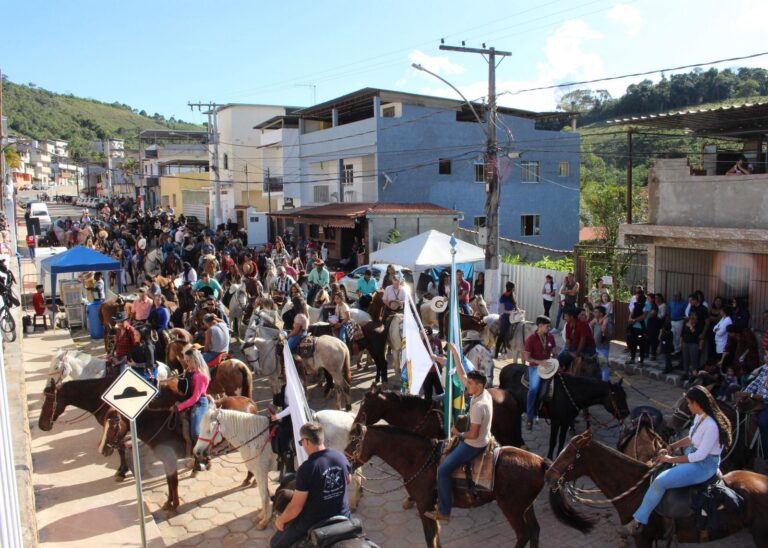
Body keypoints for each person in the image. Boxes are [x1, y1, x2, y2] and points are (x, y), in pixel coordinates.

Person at [626, 386, 731, 536]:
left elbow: (700, 456)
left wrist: (671, 459)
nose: (688, 406)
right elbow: (691, 438)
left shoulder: (711, 426)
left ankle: (638, 520)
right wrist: (672, 446)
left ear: (697, 403)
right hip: (693, 453)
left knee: (660, 481)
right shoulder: (699, 417)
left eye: (689, 403)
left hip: (704, 465)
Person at [425, 343, 492, 523]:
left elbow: (473, 435)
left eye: (470, 384)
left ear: (478, 385)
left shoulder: (478, 406)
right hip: (484, 437)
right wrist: (455, 352)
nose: (466, 385)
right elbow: (462, 374)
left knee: (443, 471)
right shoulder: (484, 393)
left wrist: (457, 433)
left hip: (474, 445)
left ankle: (444, 512)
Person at [271, 422, 352, 548]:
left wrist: (280, 521)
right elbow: (348, 480)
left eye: (301, 442)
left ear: (307, 441)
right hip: (343, 516)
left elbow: (296, 507)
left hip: (315, 522)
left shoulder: (307, 468)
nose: (302, 445)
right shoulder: (340, 457)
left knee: (275, 543)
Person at [174, 345, 210, 471]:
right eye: (186, 361)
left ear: (195, 360)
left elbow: (195, 398)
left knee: (195, 432)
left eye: (189, 361)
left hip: (199, 403)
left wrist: (180, 407)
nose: (187, 363)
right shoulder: (189, 371)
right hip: (189, 400)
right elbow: (185, 387)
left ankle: (205, 457)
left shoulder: (201, 376)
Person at [522, 315, 557, 430]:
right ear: (540, 326)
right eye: (547, 326)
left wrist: (556, 359)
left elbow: (554, 351)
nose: (549, 328)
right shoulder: (531, 339)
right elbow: (527, 357)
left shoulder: (550, 337)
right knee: (533, 389)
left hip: (548, 365)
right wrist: (539, 362)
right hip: (535, 367)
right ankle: (529, 417)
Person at [737, 360, 768, 461]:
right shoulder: (765, 369)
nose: (766, 358)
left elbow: (766, 397)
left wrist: (751, 395)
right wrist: (744, 394)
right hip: (756, 401)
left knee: (763, 422)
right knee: (737, 412)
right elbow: (754, 384)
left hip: (765, 403)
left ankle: (766, 456)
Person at [561, 306, 597, 371]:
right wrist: (566, 350)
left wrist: (576, 354)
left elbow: (582, 340)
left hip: (588, 349)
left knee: (589, 369)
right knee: (562, 358)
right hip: (576, 346)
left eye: (566, 316)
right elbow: (568, 340)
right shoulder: (568, 325)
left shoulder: (583, 324)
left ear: (571, 317)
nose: (564, 318)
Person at [626, 290, 651, 366]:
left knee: (641, 345)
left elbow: (644, 316)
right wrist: (630, 319)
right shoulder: (636, 303)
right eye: (636, 295)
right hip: (633, 327)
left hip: (641, 328)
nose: (636, 297)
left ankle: (641, 361)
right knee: (632, 343)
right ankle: (632, 359)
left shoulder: (647, 304)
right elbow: (632, 312)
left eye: (637, 296)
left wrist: (634, 320)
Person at [495, 281, 517, 359]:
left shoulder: (513, 295)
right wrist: (510, 312)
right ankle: (496, 352)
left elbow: (515, 306)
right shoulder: (503, 296)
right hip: (505, 317)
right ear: (510, 288)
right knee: (502, 333)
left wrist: (519, 310)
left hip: (513, 316)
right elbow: (502, 310)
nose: (514, 289)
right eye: (513, 287)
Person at [592, 305, 612, 382]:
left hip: (603, 349)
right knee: (597, 367)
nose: (594, 313)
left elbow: (609, 335)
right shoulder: (595, 322)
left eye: (596, 312)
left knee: (604, 367)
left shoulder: (607, 322)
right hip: (596, 348)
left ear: (601, 313)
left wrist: (604, 329)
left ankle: (604, 384)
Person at [669, 291, 687, 356]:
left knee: (678, 336)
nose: (675, 297)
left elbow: (686, 313)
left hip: (679, 321)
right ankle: (674, 349)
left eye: (677, 296)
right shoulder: (671, 302)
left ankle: (678, 350)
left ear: (680, 296)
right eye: (674, 296)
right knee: (672, 335)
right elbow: (669, 310)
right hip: (672, 321)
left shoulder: (684, 303)